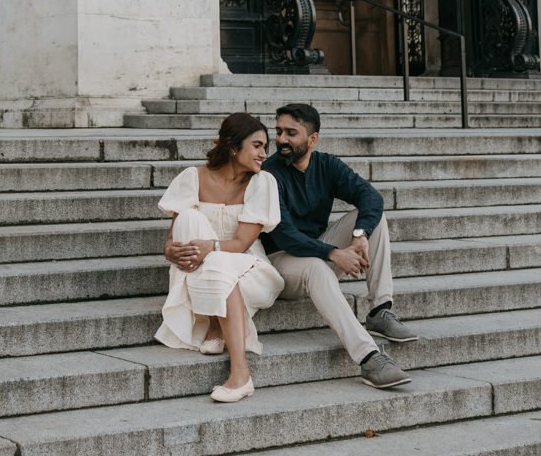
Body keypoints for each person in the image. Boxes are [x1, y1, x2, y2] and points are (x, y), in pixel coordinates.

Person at [263, 102, 417, 391]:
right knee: (315, 266)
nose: (281, 139)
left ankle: (380, 310)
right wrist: (334, 253)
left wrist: (359, 235)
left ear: (312, 139)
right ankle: (369, 357)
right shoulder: (268, 174)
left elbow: (370, 196)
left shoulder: (326, 165)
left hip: (316, 252)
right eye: (279, 131)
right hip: (280, 263)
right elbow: (284, 234)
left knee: (373, 218)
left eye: (291, 133)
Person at [156, 112, 285, 403]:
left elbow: (240, 244)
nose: (264, 153)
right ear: (233, 147)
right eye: (257, 145)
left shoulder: (262, 182)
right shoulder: (193, 177)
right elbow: (174, 235)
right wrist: (169, 249)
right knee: (189, 216)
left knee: (217, 261)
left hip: (250, 270)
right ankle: (215, 322)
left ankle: (240, 373)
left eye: (266, 146)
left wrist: (208, 249)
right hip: (202, 268)